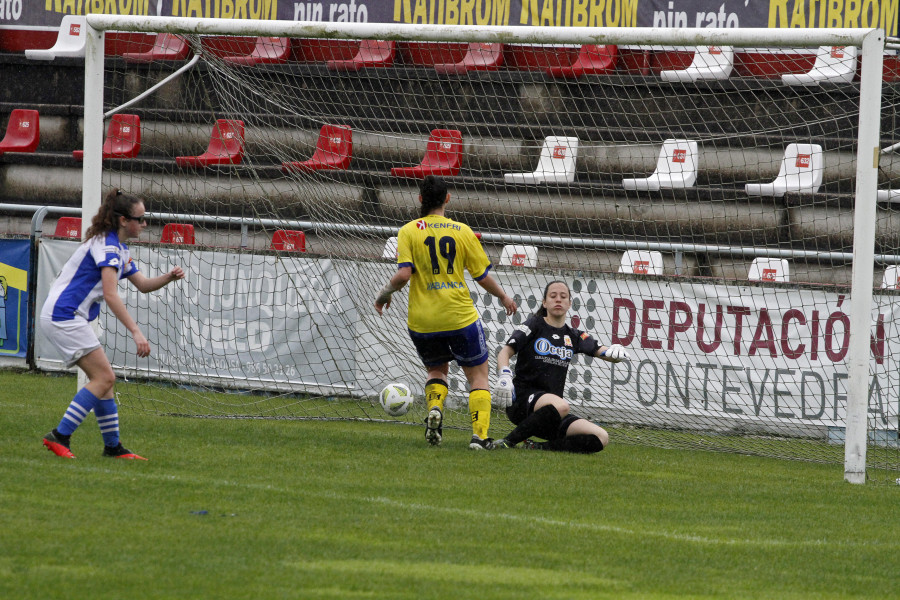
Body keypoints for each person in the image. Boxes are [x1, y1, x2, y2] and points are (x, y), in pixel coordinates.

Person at [41, 189, 185, 460]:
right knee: (105, 377)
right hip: (65, 315)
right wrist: (136, 331)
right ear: (122, 220)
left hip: (66, 315)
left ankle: (112, 448)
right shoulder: (107, 247)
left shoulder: (118, 247)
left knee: (104, 382)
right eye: (140, 219)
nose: (144, 224)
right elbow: (110, 294)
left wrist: (168, 277)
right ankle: (59, 436)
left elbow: (142, 285)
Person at [374, 175, 517, 449]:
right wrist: (503, 296)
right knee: (477, 376)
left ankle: (435, 409)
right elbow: (481, 276)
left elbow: (404, 275)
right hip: (458, 315)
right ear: (447, 198)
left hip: (423, 320)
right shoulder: (462, 231)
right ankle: (479, 436)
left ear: (420, 199)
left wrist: (383, 295)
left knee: (437, 371)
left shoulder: (408, 231)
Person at [491, 280, 629, 453]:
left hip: (550, 413)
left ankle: (537, 447)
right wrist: (504, 375)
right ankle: (507, 442)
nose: (558, 300)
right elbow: (505, 352)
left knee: (601, 437)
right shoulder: (533, 325)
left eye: (563, 297)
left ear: (570, 303)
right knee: (562, 405)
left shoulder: (573, 335)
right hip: (521, 401)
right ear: (544, 302)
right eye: (553, 296)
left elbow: (600, 351)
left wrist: (614, 353)